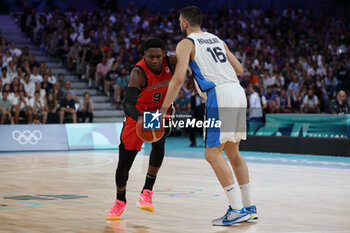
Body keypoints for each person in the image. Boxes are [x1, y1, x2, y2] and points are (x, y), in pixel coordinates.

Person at [160, 6, 257, 226]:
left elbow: (177, 79)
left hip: (220, 95)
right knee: (233, 152)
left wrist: (164, 108)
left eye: (179, 21)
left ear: (184, 22)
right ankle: (249, 207)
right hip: (237, 91)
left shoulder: (186, 43)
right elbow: (240, 69)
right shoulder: (217, 40)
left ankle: (236, 209)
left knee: (212, 154)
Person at [107, 38, 176, 220]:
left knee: (159, 145)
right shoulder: (138, 72)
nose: (154, 60)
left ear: (164, 54)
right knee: (124, 163)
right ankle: (120, 201)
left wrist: (194, 80)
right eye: (150, 57)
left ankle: (147, 191)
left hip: (159, 112)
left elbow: (192, 64)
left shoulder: (173, 61)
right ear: (144, 55)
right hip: (138, 114)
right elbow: (128, 104)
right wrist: (141, 120)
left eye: (158, 57)